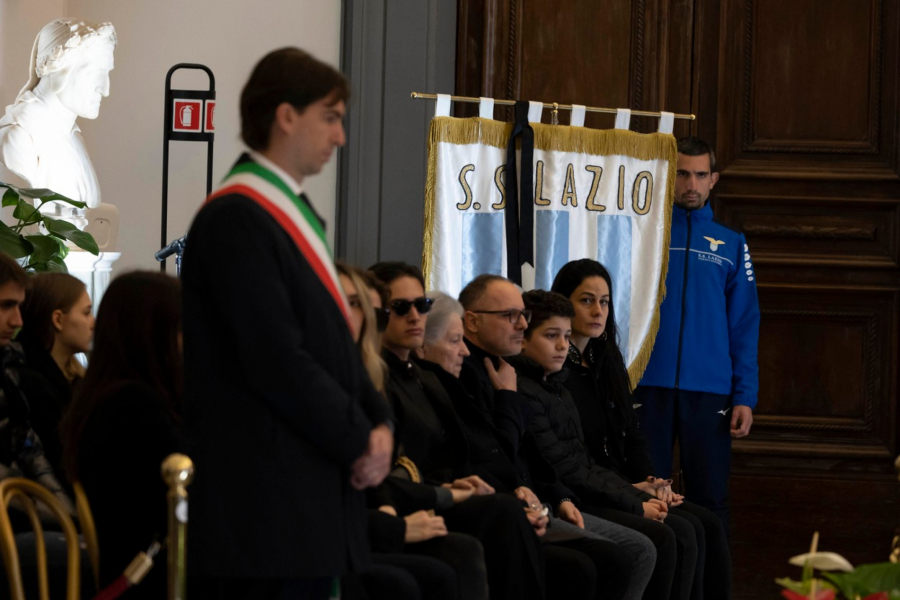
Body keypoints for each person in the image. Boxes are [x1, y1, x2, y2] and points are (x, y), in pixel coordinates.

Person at [181, 48, 393, 599]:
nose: (340, 136)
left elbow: (336, 346)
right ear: (286, 116)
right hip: (264, 508)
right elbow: (276, 357)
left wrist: (380, 423)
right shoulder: (236, 218)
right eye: (331, 117)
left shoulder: (290, 215)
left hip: (304, 501)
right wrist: (358, 438)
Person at [451, 272, 649, 600]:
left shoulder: (511, 372)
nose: (521, 324)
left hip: (539, 500)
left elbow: (538, 456)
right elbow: (495, 455)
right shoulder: (474, 376)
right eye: (510, 315)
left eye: (523, 315)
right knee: (609, 559)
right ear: (471, 321)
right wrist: (507, 399)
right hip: (503, 507)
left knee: (650, 543)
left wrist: (560, 498)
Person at [635, 136, 760, 533]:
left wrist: (745, 396)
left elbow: (744, 323)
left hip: (710, 392)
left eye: (700, 175)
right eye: (682, 174)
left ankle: (710, 572)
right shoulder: (643, 234)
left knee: (710, 498)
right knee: (643, 494)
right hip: (646, 385)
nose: (691, 184)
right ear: (669, 177)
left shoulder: (732, 244)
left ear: (713, 179)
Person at [337, 262, 468, 600]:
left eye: (422, 305)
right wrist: (392, 523)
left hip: (381, 510)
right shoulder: (333, 377)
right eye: (399, 308)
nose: (414, 316)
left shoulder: (412, 377)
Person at [59, 272, 183, 599]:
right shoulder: (133, 405)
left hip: (134, 568)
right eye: (180, 329)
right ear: (154, 335)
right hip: (147, 578)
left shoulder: (104, 395)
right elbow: (188, 481)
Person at [0, 19, 116, 208]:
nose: (105, 89)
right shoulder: (18, 138)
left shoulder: (73, 137)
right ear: (60, 70)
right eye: (96, 73)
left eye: (107, 73)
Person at [18, 272, 94, 477]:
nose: (93, 322)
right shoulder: (32, 385)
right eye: (86, 313)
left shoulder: (73, 378)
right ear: (58, 319)